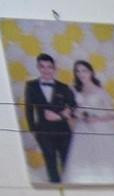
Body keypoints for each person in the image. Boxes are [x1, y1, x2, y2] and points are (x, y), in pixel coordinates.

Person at [62, 60, 114, 185]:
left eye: (84, 70)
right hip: (82, 130)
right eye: (77, 71)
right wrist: (78, 114)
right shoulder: (75, 90)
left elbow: (112, 114)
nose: (81, 74)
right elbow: (76, 110)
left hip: (99, 129)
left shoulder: (100, 91)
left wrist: (96, 119)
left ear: (91, 72)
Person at [22, 54, 75, 185]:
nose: (46, 70)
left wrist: (61, 116)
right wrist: (34, 130)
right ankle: (56, 190)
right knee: (50, 161)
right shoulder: (31, 86)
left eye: (49, 67)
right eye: (42, 67)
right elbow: (29, 109)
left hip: (63, 132)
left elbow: (74, 106)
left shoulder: (63, 87)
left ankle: (70, 189)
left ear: (54, 68)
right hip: (43, 132)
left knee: (66, 161)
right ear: (38, 68)